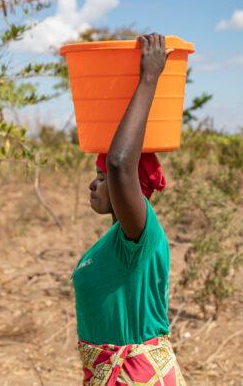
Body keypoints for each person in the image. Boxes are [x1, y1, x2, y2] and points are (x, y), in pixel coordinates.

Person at [72, 33, 186, 385]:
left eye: (103, 178)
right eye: (96, 175)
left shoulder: (141, 236)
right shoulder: (114, 240)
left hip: (137, 376)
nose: (94, 183)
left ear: (132, 187)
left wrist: (149, 77)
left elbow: (122, 162)